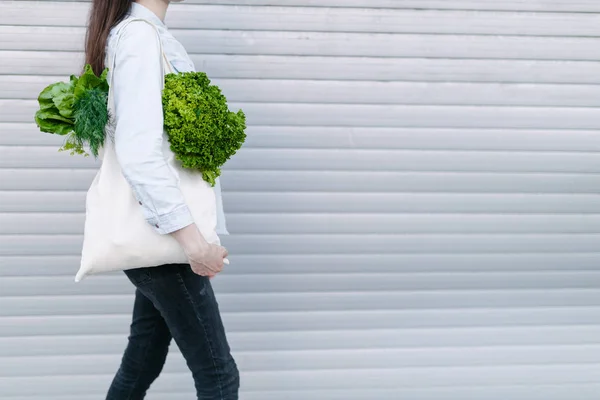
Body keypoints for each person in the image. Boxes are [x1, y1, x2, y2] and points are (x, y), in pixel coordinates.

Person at [84, 0, 239, 398]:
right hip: (168, 243)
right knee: (219, 376)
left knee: (142, 362)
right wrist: (193, 243)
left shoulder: (142, 32)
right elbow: (139, 151)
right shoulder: (138, 36)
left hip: (161, 242)